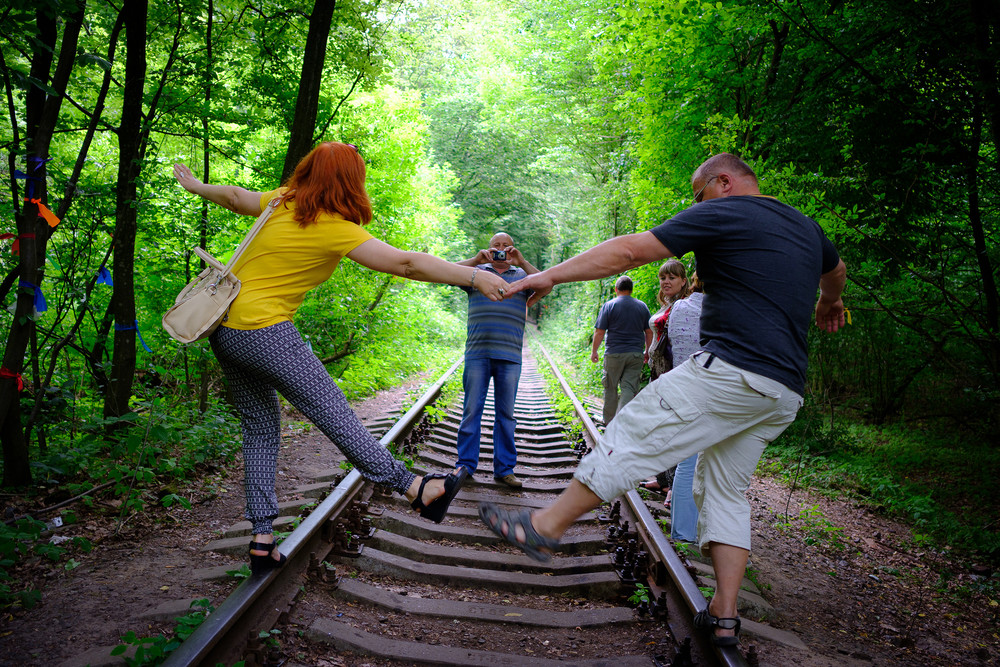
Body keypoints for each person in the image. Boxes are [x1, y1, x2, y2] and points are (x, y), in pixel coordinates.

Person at [479, 153, 847, 647]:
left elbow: (631, 252)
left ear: (723, 182)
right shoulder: (806, 227)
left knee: (635, 428)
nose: (697, 205)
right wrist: (830, 300)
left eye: (699, 195)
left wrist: (550, 276)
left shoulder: (727, 209)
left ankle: (546, 525)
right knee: (725, 491)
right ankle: (725, 613)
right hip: (781, 392)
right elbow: (837, 271)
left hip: (734, 371)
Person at [172, 142, 510, 575]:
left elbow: (236, 196)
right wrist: (475, 275)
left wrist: (198, 187)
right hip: (265, 332)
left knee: (259, 427)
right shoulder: (335, 227)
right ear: (353, 183)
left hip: (223, 330)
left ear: (309, 171)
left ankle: (261, 537)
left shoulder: (279, 202)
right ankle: (414, 489)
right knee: (336, 416)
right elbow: (405, 263)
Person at [454, 233, 538, 488]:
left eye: (506, 246)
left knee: (506, 415)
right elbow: (447, 272)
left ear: (512, 249)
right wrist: (476, 259)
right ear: (489, 250)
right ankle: (465, 466)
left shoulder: (523, 277)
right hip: (478, 353)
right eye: (496, 246)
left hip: (510, 356)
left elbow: (548, 282)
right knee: (471, 411)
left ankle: (505, 470)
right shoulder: (476, 274)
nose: (501, 250)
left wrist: (521, 262)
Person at [638, 259, 692, 502]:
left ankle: (673, 485)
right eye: (663, 278)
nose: (666, 281)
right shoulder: (668, 304)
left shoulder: (685, 305)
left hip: (673, 373)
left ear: (683, 280)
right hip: (657, 373)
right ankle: (662, 479)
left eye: (672, 277)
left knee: (673, 432)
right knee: (657, 429)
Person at [664, 272, 705, 544]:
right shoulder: (723, 312)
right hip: (709, 391)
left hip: (681, 386)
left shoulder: (679, 307)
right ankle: (693, 532)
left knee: (686, 463)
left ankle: (682, 531)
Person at [591, 275, 652, 426]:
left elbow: (599, 331)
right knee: (629, 389)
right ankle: (622, 424)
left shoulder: (609, 305)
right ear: (631, 290)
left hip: (614, 353)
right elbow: (649, 332)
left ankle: (609, 423)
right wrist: (647, 351)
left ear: (616, 289)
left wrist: (594, 351)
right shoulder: (642, 306)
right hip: (635, 354)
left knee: (610, 388)